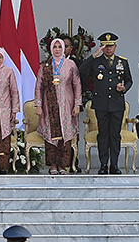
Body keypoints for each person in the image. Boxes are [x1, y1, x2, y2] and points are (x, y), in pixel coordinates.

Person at [79, 32, 132, 174]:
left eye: (111, 46)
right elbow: (82, 70)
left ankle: (114, 165)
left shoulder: (122, 62)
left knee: (115, 135)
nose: (108, 49)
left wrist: (124, 88)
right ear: (101, 47)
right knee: (103, 134)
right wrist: (94, 56)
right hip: (101, 103)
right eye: (105, 46)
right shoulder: (96, 61)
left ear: (115, 46)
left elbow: (129, 80)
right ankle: (103, 164)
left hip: (116, 103)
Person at [35, 38, 82, 175]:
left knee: (64, 133)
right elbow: (38, 86)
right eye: (54, 47)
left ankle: (63, 165)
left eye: (59, 47)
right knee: (51, 134)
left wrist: (77, 104)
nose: (57, 49)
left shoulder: (71, 64)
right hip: (49, 106)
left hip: (66, 104)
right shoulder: (45, 66)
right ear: (51, 48)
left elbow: (77, 85)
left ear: (63, 49)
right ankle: (53, 165)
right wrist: (38, 105)